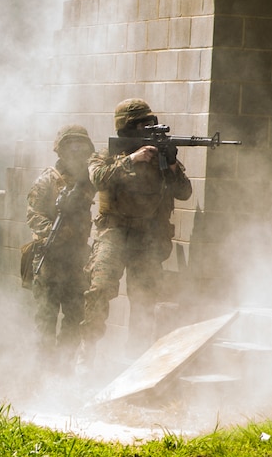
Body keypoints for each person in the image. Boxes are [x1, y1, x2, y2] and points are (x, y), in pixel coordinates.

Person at [77, 98, 192, 372]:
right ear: (126, 129)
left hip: (148, 237)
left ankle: (137, 359)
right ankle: (87, 354)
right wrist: (132, 159)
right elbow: (98, 178)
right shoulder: (106, 155)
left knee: (144, 298)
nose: (148, 127)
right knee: (99, 289)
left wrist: (172, 164)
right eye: (141, 123)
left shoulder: (161, 158)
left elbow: (184, 193)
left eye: (150, 123)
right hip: (114, 233)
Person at [26, 124, 97, 371]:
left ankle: (64, 369)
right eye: (71, 147)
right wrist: (54, 233)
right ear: (61, 150)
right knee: (46, 318)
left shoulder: (89, 179)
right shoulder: (46, 181)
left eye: (81, 147)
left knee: (75, 317)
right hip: (51, 259)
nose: (77, 152)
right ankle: (43, 370)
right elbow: (34, 216)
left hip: (76, 259)